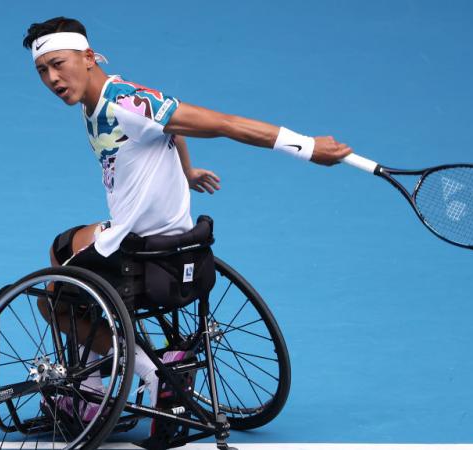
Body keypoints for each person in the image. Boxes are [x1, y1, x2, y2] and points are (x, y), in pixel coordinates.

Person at [23, 16, 352, 415]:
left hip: (139, 245)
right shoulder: (100, 105)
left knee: (50, 302)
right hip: (171, 238)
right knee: (62, 247)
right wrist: (187, 171)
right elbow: (171, 131)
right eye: (43, 70)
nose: (52, 78)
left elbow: (225, 124)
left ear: (88, 57)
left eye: (59, 63)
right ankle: (91, 383)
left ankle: (146, 372)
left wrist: (306, 146)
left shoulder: (127, 102)